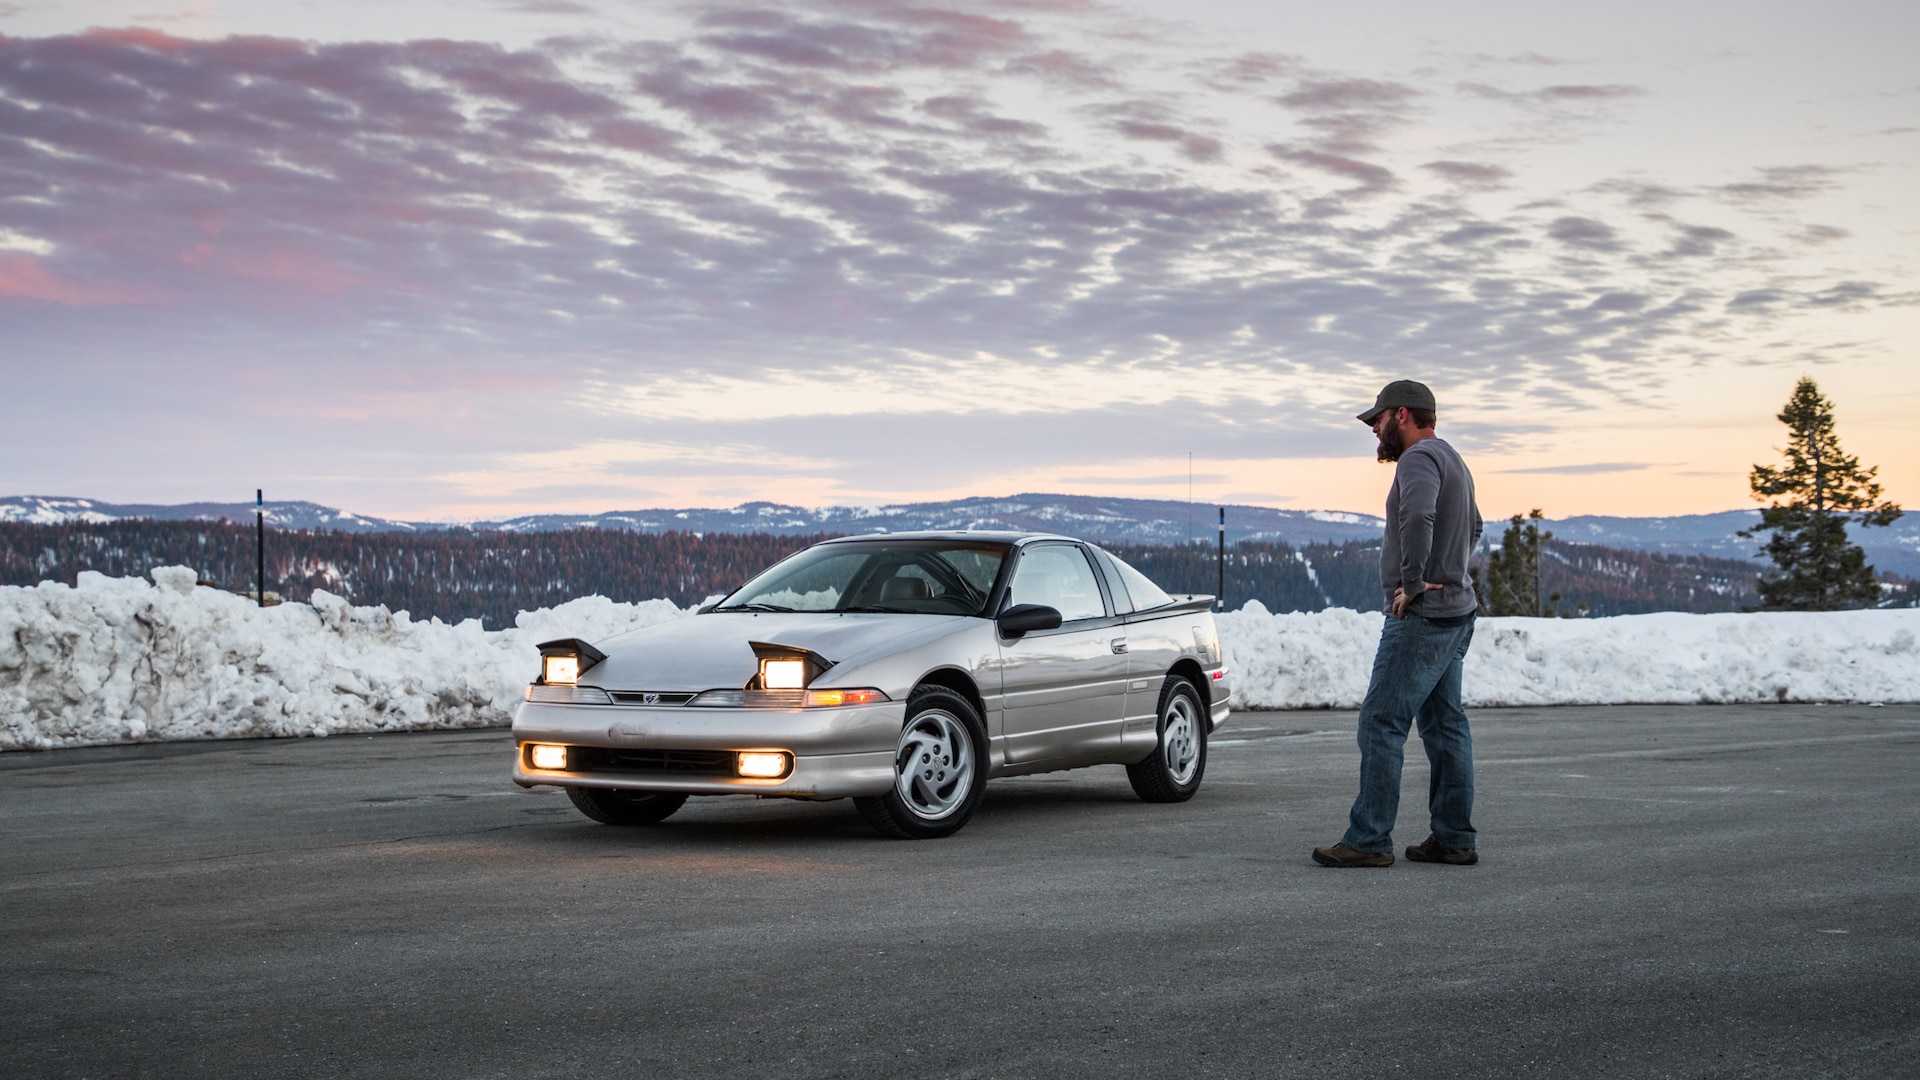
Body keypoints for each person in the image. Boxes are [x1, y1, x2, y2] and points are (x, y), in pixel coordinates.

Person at [1313, 379, 1484, 868]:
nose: (1375, 432)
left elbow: (1417, 515)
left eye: (1378, 421)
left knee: (1382, 722)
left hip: (1424, 617)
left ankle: (1368, 839)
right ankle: (1454, 836)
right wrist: (1452, 573)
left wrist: (1413, 583)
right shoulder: (1453, 457)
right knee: (1445, 724)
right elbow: (1474, 526)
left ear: (1402, 414)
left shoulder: (1418, 459)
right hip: (1456, 611)